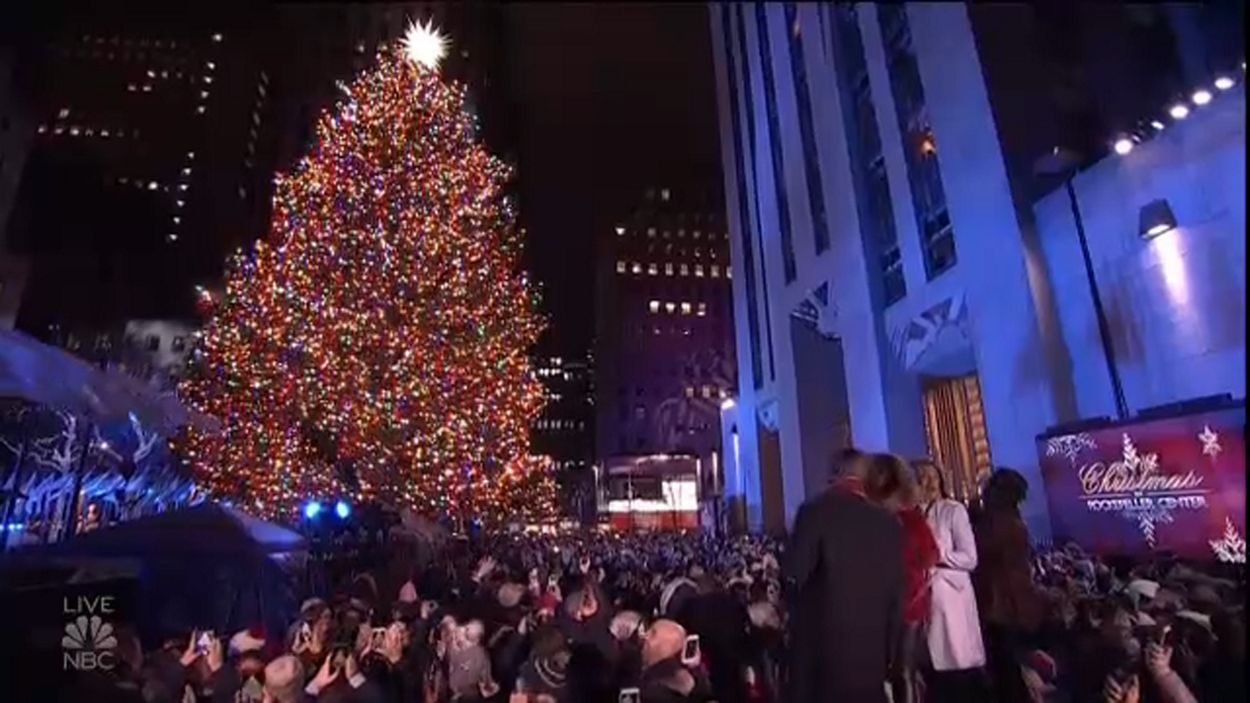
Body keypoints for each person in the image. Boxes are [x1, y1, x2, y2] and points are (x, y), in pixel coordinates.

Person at [784, 448, 904, 702]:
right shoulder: (888, 522)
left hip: (823, 657)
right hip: (872, 656)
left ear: (835, 474)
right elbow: (896, 594)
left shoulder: (814, 511)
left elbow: (794, 575)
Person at [866, 453, 939, 703]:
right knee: (897, 671)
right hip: (889, 606)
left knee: (903, 671)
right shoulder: (884, 520)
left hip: (907, 606)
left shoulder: (906, 520)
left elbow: (930, 555)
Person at [913, 459, 988, 702]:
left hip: (951, 597)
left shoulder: (953, 510)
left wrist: (939, 555)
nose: (929, 482)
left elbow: (970, 557)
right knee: (931, 667)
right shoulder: (911, 516)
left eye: (933, 476)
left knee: (956, 663)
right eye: (923, 477)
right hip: (922, 599)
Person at [973, 468, 1044, 703]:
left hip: (998, 604)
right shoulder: (1015, 522)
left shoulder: (996, 523)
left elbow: (982, 552)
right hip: (1014, 604)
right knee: (1009, 670)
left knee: (1005, 672)